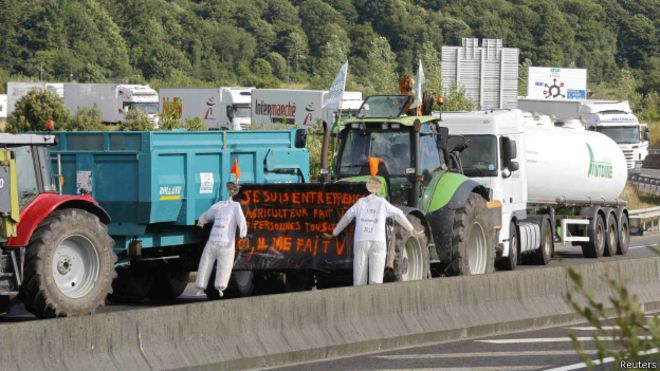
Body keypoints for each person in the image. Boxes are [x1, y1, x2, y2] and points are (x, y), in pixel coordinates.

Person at [324, 157, 423, 285]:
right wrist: (412, 230)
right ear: (378, 188)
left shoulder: (360, 202)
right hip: (378, 242)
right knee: (376, 281)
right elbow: (398, 214)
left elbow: (347, 217)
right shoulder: (382, 202)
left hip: (361, 241)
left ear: (367, 188)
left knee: (359, 280)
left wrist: (334, 233)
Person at [195, 181, 247, 298]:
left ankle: (217, 287)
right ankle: (207, 286)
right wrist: (201, 221)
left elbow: (241, 221)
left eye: (233, 189)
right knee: (212, 264)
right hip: (219, 242)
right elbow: (208, 215)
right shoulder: (220, 205)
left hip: (222, 242)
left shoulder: (233, 206)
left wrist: (243, 234)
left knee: (215, 264)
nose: (231, 191)